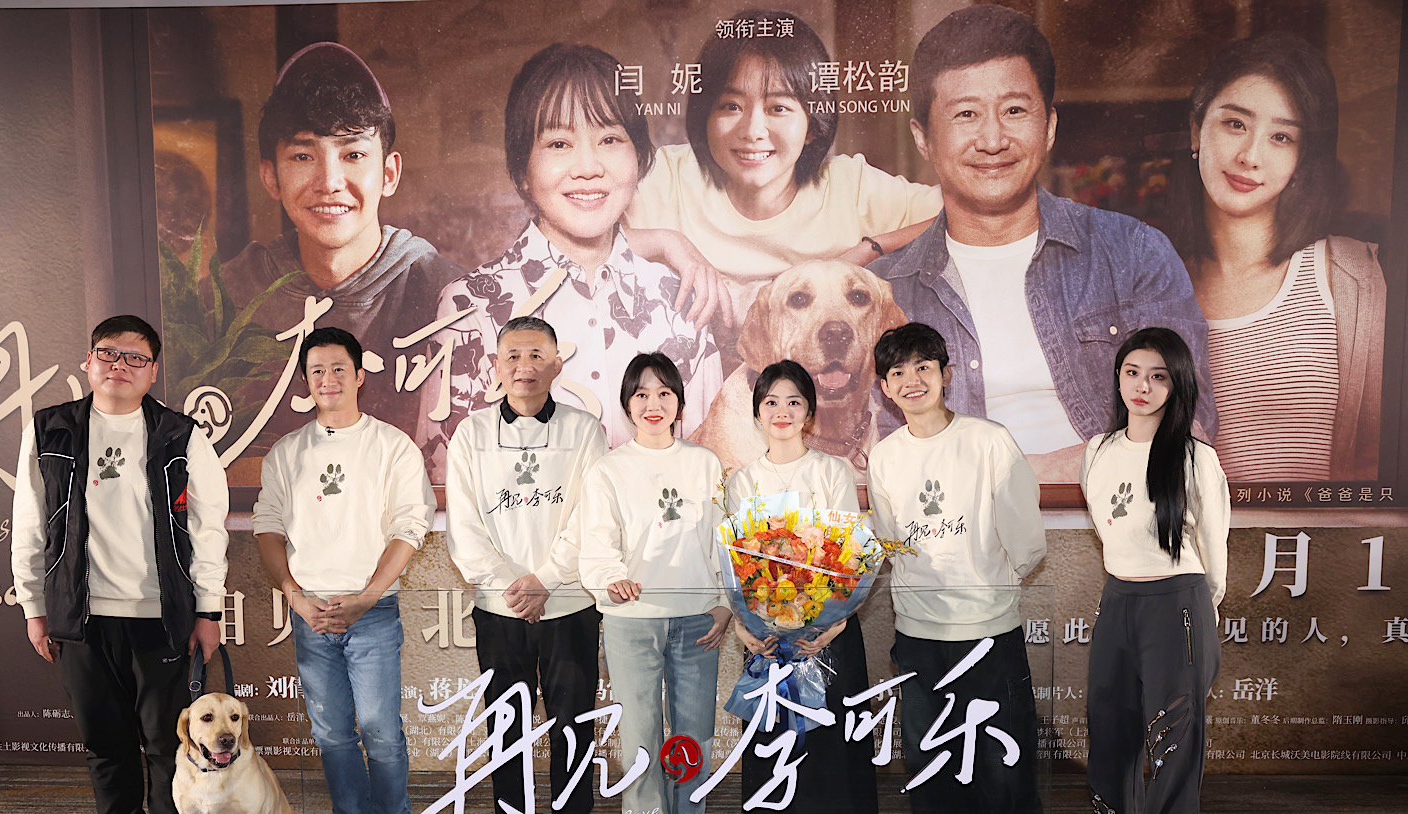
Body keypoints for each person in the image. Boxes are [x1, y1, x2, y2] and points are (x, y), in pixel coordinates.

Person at [869, 3, 1215, 483]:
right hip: (947, 523)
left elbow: (1187, 426)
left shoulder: (1133, 254)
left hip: (1112, 515)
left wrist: (1024, 477)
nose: (993, 139)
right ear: (923, 138)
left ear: (1049, 127)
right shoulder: (880, 293)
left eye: (1014, 110)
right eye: (966, 114)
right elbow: (877, 458)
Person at [416, 43, 722, 478]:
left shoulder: (680, 302)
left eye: (610, 139)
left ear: (639, 157)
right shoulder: (470, 309)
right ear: (522, 169)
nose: (588, 167)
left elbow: (711, 474)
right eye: (559, 143)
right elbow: (447, 483)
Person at [10, 314, 228, 814]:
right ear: (88, 361)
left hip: (160, 616)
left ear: (154, 371)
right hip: (81, 617)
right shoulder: (50, 429)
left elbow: (208, 530)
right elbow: (30, 524)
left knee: (166, 744)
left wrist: (208, 610)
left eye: (136, 358)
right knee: (105, 744)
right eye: (108, 353)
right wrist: (34, 606)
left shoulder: (181, 435)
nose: (120, 366)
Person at [625, 8, 942, 364]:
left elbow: (973, 219)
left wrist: (868, 250)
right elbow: (574, 238)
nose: (752, 130)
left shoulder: (849, 187)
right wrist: (667, 242)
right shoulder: (667, 177)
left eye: (778, 108)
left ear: (812, 125)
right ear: (705, 117)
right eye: (730, 106)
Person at [866, 323, 1054, 814]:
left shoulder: (988, 441)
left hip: (988, 632)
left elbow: (1026, 539)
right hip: (918, 636)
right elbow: (888, 542)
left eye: (923, 366)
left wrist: (990, 590)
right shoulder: (885, 456)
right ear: (884, 388)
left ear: (946, 374)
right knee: (930, 758)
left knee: (1004, 759)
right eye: (897, 372)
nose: (911, 380)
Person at [216, 42, 461, 471]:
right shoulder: (225, 297)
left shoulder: (450, 297)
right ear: (270, 176)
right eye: (303, 155)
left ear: (389, 173)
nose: (329, 181)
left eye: (353, 155)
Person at [252, 327, 432, 814]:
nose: (327, 379)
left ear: (359, 376)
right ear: (306, 382)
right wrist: (295, 597)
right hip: (310, 614)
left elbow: (410, 526)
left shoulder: (392, 446)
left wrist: (368, 595)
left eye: (337, 369)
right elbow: (267, 526)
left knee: (380, 729)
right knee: (331, 732)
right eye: (316, 371)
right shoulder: (287, 453)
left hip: (372, 610)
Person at [1170, 34, 1385, 481]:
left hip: (1325, 529)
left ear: (1302, 160)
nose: (1250, 156)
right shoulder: (1148, 281)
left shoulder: (1358, 279)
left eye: (1282, 137)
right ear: (1196, 128)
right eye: (1235, 124)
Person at [1077, 328, 1230, 814]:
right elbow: (1108, 534)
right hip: (1118, 601)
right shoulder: (1098, 450)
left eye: (1159, 375)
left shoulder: (1195, 458)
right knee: (1110, 738)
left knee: (1171, 751)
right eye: (1133, 372)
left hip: (1178, 606)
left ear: (1178, 383)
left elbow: (1214, 554)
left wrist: (1194, 615)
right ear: (1118, 378)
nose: (1143, 386)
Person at [444, 316, 609, 814]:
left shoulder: (585, 431)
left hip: (569, 606)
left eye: (537, 355)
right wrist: (511, 586)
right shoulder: (471, 433)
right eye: (513, 355)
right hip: (499, 610)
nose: (524, 366)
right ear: (496, 365)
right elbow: (464, 525)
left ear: (557, 364)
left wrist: (547, 579)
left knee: (572, 722)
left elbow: (592, 516)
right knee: (506, 724)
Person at [578, 352, 729, 814]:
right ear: (626, 406)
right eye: (641, 394)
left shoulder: (704, 463)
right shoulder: (608, 469)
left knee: (693, 733)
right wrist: (610, 578)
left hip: (697, 617)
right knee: (640, 732)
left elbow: (723, 540)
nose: (653, 404)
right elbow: (597, 544)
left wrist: (724, 601)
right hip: (632, 617)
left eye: (664, 393)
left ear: (680, 404)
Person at [725, 360, 877, 814]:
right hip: (769, 635)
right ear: (757, 413)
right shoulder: (743, 480)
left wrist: (832, 623)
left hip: (827, 630)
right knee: (779, 735)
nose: (782, 412)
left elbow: (848, 555)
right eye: (771, 402)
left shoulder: (831, 471)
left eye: (794, 402)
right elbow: (736, 562)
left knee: (827, 736)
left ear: (809, 413)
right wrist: (745, 624)